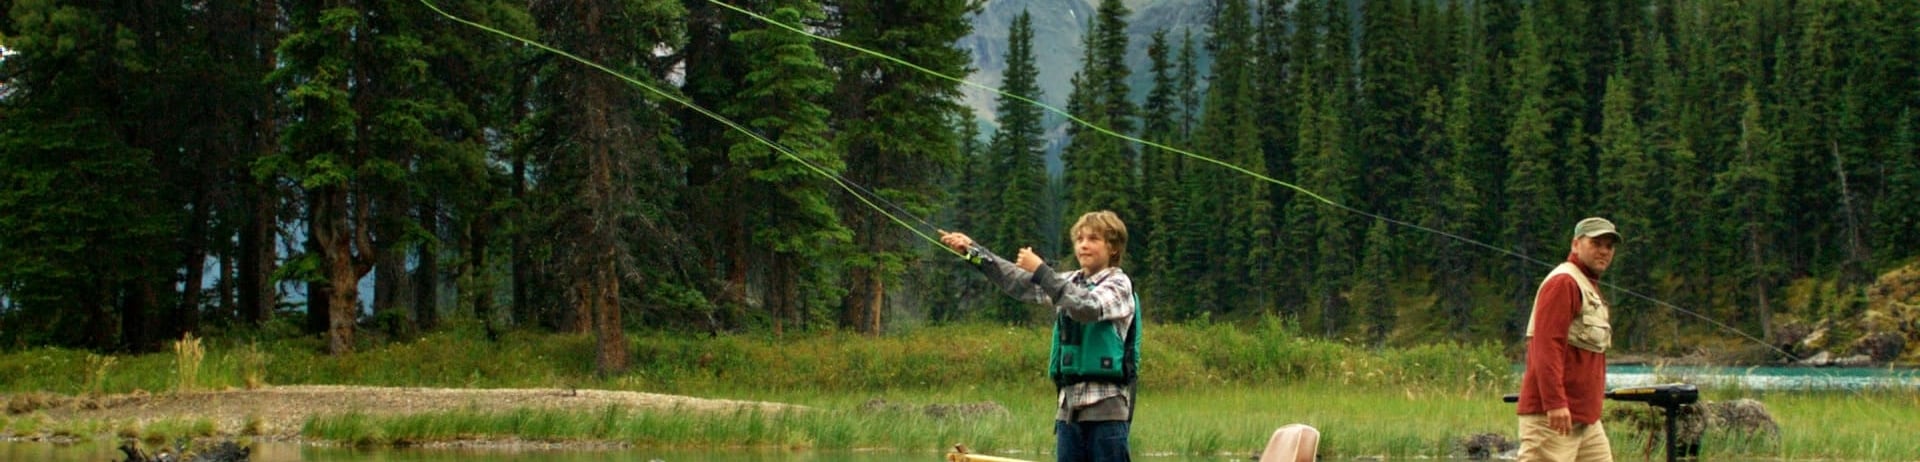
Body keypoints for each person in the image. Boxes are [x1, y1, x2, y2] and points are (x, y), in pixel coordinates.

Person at [940, 210, 1139, 462]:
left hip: (1108, 413)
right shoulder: (1067, 281)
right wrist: (974, 252)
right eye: (1079, 239)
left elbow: (1087, 307)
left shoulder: (1120, 285)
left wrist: (1042, 271)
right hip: (1068, 412)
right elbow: (1019, 283)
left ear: (1113, 247)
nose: (1083, 245)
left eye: (1093, 239)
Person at [1516, 217, 1622, 462]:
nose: (1604, 251)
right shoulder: (1564, 282)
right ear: (1576, 244)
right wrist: (1555, 403)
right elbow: (1545, 347)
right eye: (1596, 243)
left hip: (1585, 419)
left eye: (1609, 246)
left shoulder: (1587, 285)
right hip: (1552, 417)